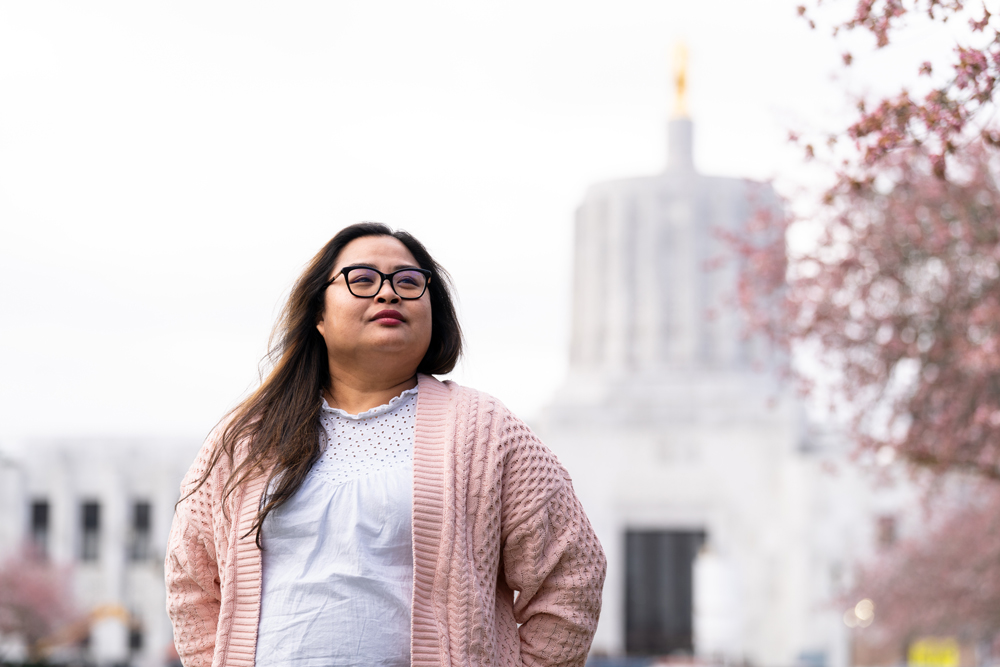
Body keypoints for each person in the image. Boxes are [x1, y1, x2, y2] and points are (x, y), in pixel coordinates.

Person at [165, 222, 606, 667]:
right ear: (318, 312)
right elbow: (190, 578)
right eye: (362, 280)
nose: (389, 293)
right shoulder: (248, 437)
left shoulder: (488, 432)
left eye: (410, 282)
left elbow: (572, 574)